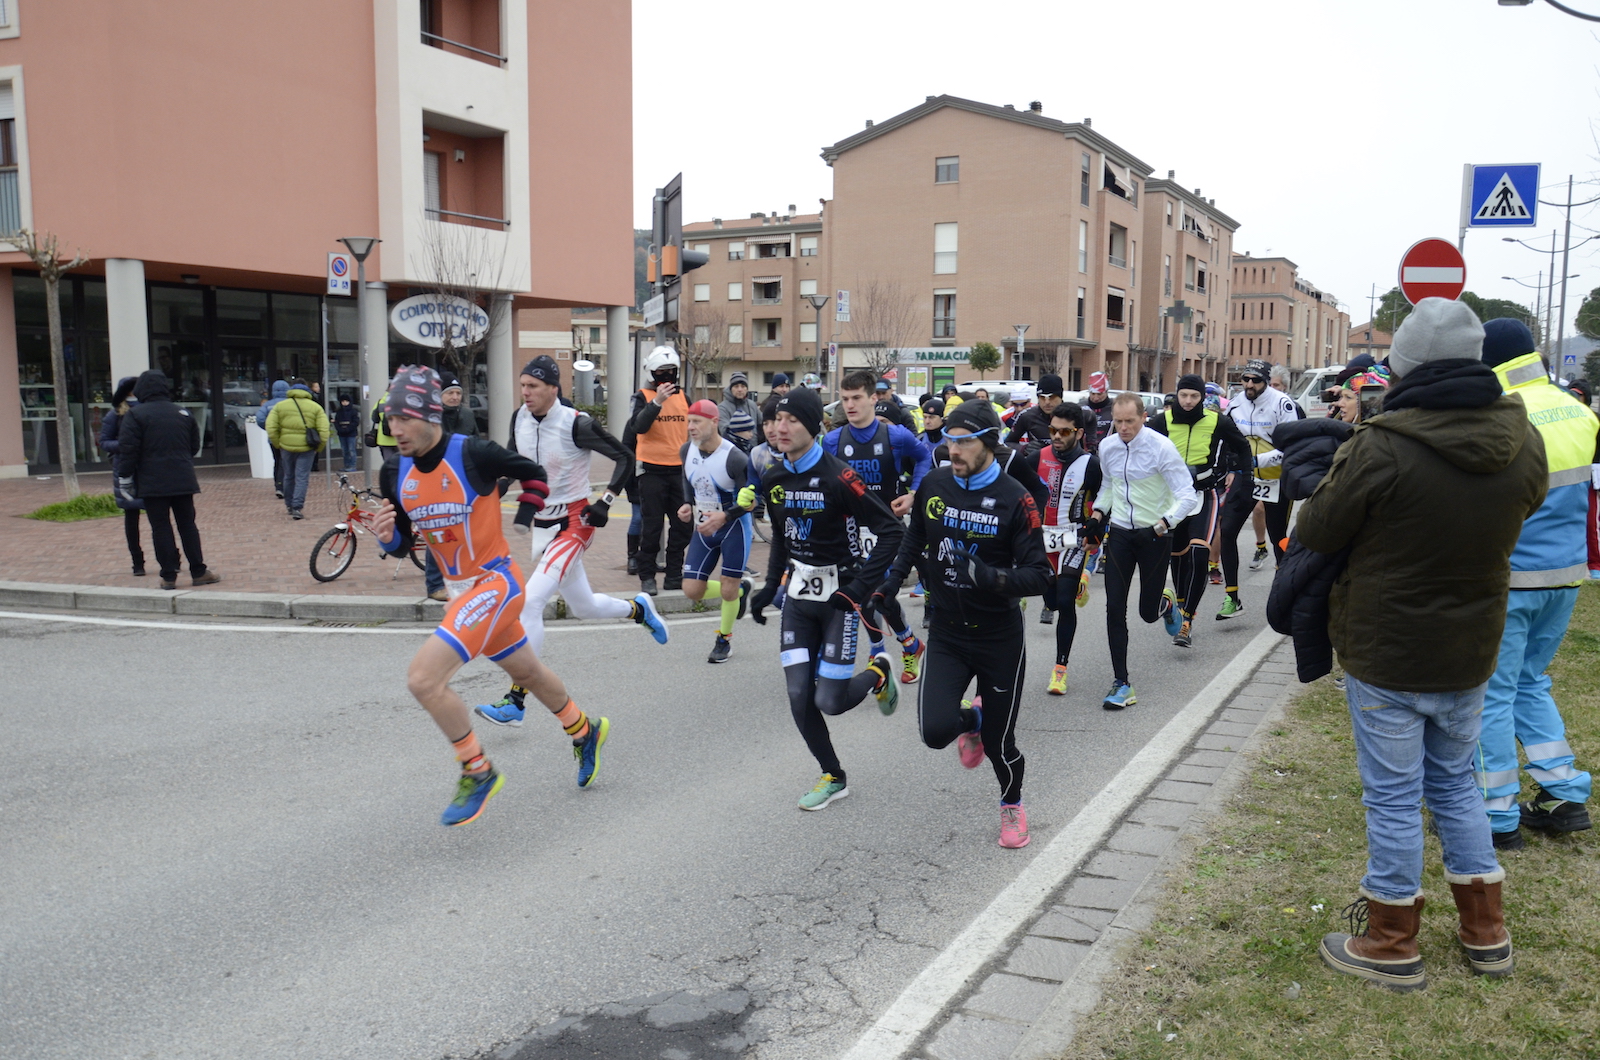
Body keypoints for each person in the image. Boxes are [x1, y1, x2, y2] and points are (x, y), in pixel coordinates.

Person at [1296, 298, 1546, 991]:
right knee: (1457, 784)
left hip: (1389, 650)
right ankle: (1485, 931)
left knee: (1396, 798)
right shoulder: (1522, 438)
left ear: (1400, 365)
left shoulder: (1384, 443)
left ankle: (1391, 941)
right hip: (1471, 647)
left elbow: (1317, 529)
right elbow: (1523, 508)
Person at [370, 366, 609, 826]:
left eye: (403, 417)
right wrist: (386, 539)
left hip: (495, 583)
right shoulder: (392, 471)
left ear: (429, 414)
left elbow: (534, 474)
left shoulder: (472, 453)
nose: (394, 428)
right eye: (388, 418)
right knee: (531, 674)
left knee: (423, 680)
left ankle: (477, 770)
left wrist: (523, 516)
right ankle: (585, 730)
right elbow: (402, 542)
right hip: (461, 593)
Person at [876, 399, 1051, 847]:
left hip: (998, 639)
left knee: (999, 744)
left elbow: (1039, 575)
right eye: (950, 441)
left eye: (964, 441)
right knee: (935, 732)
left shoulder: (1017, 500)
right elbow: (916, 534)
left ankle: (1011, 804)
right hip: (950, 632)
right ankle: (968, 721)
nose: (952, 450)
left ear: (989, 443)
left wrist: (990, 577)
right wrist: (891, 581)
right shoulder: (935, 484)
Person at [475, 357, 668, 724]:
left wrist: (606, 501)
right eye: (523, 386)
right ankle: (639, 608)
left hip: (576, 522)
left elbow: (625, 458)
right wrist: (488, 496)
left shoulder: (576, 423)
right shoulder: (521, 418)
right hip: (544, 523)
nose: (525, 393)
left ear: (553, 388)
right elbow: (512, 462)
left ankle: (516, 700)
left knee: (530, 602)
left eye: (532, 386)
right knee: (584, 607)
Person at [745, 386, 904, 811]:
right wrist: (768, 585)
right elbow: (782, 534)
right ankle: (833, 775)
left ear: (813, 427)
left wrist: (858, 588)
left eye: (792, 420)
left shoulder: (839, 476)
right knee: (799, 695)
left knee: (829, 701)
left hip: (840, 598)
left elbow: (892, 531)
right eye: (776, 420)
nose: (781, 428)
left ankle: (880, 670)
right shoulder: (774, 474)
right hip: (799, 596)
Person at [1475, 318, 1598, 849]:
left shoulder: (1500, 414)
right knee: (1530, 681)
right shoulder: (1577, 408)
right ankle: (1564, 794)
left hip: (1511, 578)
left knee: (1492, 694)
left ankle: (1495, 815)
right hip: (1565, 577)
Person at [1085, 392, 1195, 709]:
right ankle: (1122, 683)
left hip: (1154, 535)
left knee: (1147, 613)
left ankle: (1165, 603)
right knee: (1114, 609)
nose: (1123, 428)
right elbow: (1109, 487)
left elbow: (1187, 496)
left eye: (1129, 421)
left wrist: (1162, 524)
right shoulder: (1108, 447)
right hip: (1119, 533)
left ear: (1144, 417)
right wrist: (1097, 515)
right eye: (1118, 422)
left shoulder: (1161, 448)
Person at [822, 370, 932, 682]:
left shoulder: (894, 435)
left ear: (873, 397)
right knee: (862, 592)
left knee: (876, 594)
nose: (850, 405)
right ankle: (895, 646)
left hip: (886, 530)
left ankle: (898, 647)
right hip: (850, 530)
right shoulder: (833, 440)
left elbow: (924, 458)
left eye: (856, 398)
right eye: (845, 399)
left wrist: (913, 495)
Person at [1147, 374, 1252, 649]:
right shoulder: (1162, 421)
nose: (1189, 401)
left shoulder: (1217, 420)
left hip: (1203, 494)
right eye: (1184, 396)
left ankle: (1187, 621)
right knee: (1178, 558)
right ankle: (1179, 605)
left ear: (1202, 398)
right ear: (1177, 395)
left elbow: (1242, 447)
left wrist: (1244, 477)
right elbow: (1143, 450)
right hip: (1170, 498)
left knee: (1199, 551)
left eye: (1194, 396)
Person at [1022, 401, 1101, 694]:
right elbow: (1017, 490)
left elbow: (1106, 496)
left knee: (1065, 603)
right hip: (1042, 539)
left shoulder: (1090, 464)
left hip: (1073, 539)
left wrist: (1096, 523)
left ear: (1078, 433)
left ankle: (1060, 668)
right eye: (1053, 429)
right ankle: (1077, 584)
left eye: (1064, 431)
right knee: (1052, 602)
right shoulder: (1035, 458)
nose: (1056, 435)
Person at [117, 370, 222, 591]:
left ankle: (168, 576)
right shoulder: (182, 412)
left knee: (161, 527)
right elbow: (194, 446)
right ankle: (199, 571)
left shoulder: (135, 415)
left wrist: (125, 477)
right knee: (188, 525)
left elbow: (128, 451)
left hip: (152, 480)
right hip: (183, 478)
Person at [1214, 359, 1300, 619]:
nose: (1250, 385)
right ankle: (1232, 597)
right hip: (1246, 478)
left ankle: (1286, 596)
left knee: (1279, 538)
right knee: (1227, 531)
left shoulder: (1282, 403)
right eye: (1246, 379)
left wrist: (1255, 461)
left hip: (1276, 479)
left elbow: (1290, 448)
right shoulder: (1237, 403)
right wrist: (1229, 468)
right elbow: (1225, 442)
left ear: (1266, 380)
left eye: (1256, 380)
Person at [674, 400, 754, 663]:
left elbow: (752, 502)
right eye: (688, 421)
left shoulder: (735, 458)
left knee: (726, 590)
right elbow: (689, 480)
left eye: (697, 421)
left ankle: (724, 639)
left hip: (734, 528)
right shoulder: (687, 450)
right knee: (691, 590)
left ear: (714, 422)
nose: (691, 427)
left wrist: (726, 516)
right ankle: (741, 591)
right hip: (704, 527)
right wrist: (687, 503)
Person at [625, 346, 692, 596]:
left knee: (683, 526)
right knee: (651, 528)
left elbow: (696, 428)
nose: (667, 379)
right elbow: (638, 427)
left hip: (679, 472)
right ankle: (647, 576)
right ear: (652, 374)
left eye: (671, 373)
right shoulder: (642, 397)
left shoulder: (685, 398)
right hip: (651, 472)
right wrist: (657, 402)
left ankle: (674, 574)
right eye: (661, 374)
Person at [264, 378, 329, 520]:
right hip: (307, 448)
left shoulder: (281, 406)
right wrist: (319, 447)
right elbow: (324, 431)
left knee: (288, 475)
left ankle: (289, 504)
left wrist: (277, 443)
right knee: (302, 477)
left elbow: (271, 427)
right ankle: (297, 507)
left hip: (286, 447)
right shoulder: (315, 407)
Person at [101, 376, 147, 576]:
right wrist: (126, 445)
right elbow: (104, 442)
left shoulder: (147, 409)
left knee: (159, 517)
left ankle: (171, 557)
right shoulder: (114, 415)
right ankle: (137, 562)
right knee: (131, 517)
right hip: (126, 469)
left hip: (148, 468)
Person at [1004, 374, 1065, 449]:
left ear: (1060, 396)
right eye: (1042, 397)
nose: (1047, 402)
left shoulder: (1074, 414)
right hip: (1038, 459)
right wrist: (1024, 449)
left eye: (1051, 397)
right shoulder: (1027, 416)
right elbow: (1008, 443)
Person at [257, 379, 289, 499]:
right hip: (287, 437)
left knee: (277, 461)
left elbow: (259, 419)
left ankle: (278, 485)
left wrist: (270, 429)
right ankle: (285, 486)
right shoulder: (290, 403)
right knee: (286, 462)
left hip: (273, 438)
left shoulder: (268, 404)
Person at [718, 372, 762, 449]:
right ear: (731, 388)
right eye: (736, 386)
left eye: (743, 386)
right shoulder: (722, 408)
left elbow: (761, 424)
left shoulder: (752, 405)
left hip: (754, 450)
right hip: (732, 451)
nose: (740, 389)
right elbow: (724, 431)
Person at [438, 370, 477, 437]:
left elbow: (476, 442)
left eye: (458, 393)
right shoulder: (431, 416)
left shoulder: (467, 415)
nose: (455, 397)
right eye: (450, 393)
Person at [1083, 371, 1115, 452]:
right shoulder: (1082, 407)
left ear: (1106, 391)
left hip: (1109, 451)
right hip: (1086, 452)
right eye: (1093, 394)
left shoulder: (1115, 407)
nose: (1096, 398)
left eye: (1100, 394)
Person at [333, 394, 362, 472]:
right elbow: (336, 422)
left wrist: (348, 429)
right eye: (343, 401)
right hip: (342, 434)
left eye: (346, 401)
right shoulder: (339, 412)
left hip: (351, 433)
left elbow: (355, 422)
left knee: (351, 449)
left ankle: (352, 465)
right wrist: (340, 429)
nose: (344, 403)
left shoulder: (353, 411)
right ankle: (346, 465)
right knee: (344, 450)